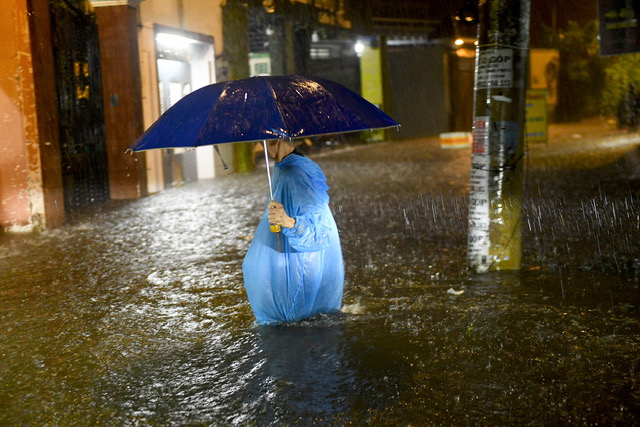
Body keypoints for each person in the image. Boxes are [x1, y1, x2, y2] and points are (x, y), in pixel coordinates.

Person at [242, 139, 344, 324]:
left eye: (265, 142)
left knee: (297, 322)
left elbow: (319, 228)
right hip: (291, 255)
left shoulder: (295, 173)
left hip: (303, 261)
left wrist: (288, 221)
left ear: (278, 140)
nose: (261, 147)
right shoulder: (283, 167)